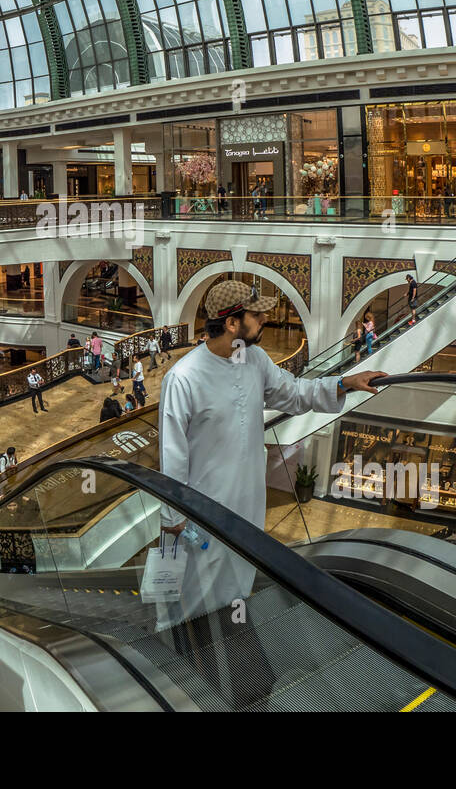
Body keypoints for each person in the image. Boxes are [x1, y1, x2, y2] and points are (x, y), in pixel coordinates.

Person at [157, 279, 385, 705]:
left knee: (234, 593)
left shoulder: (255, 360)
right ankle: (219, 684)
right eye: (257, 313)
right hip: (204, 523)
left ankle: (236, 680)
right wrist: (174, 528)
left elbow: (295, 394)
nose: (265, 318)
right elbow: (173, 463)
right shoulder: (183, 379)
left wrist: (346, 383)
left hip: (246, 512)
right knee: (202, 606)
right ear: (231, 321)